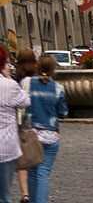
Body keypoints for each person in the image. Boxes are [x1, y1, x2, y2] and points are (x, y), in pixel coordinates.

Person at [21, 55, 67, 203]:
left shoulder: (26, 83)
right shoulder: (58, 88)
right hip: (50, 135)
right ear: (53, 69)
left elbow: (20, 107)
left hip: (31, 135)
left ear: (37, 66)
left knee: (32, 171)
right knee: (43, 173)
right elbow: (63, 113)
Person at [0, 48, 31, 203]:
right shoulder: (9, 85)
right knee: (4, 194)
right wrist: (9, 79)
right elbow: (25, 101)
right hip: (6, 146)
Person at [13, 50, 37, 203]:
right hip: (40, 126)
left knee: (22, 160)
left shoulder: (18, 81)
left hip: (24, 125)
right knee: (37, 163)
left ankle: (25, 193)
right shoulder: (39, 79)